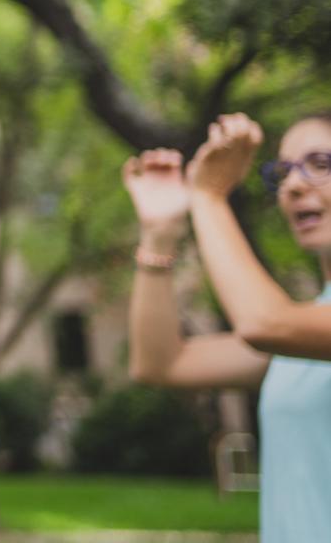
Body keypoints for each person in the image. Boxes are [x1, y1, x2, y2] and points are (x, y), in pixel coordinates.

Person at [126, 111, 331, 540]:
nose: (293, 186)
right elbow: (162, 363)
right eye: (283, 171)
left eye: (322, 164)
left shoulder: (287, 327)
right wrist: (160, 234)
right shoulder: (305, 329)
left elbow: (264, 322)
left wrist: (209, 196)